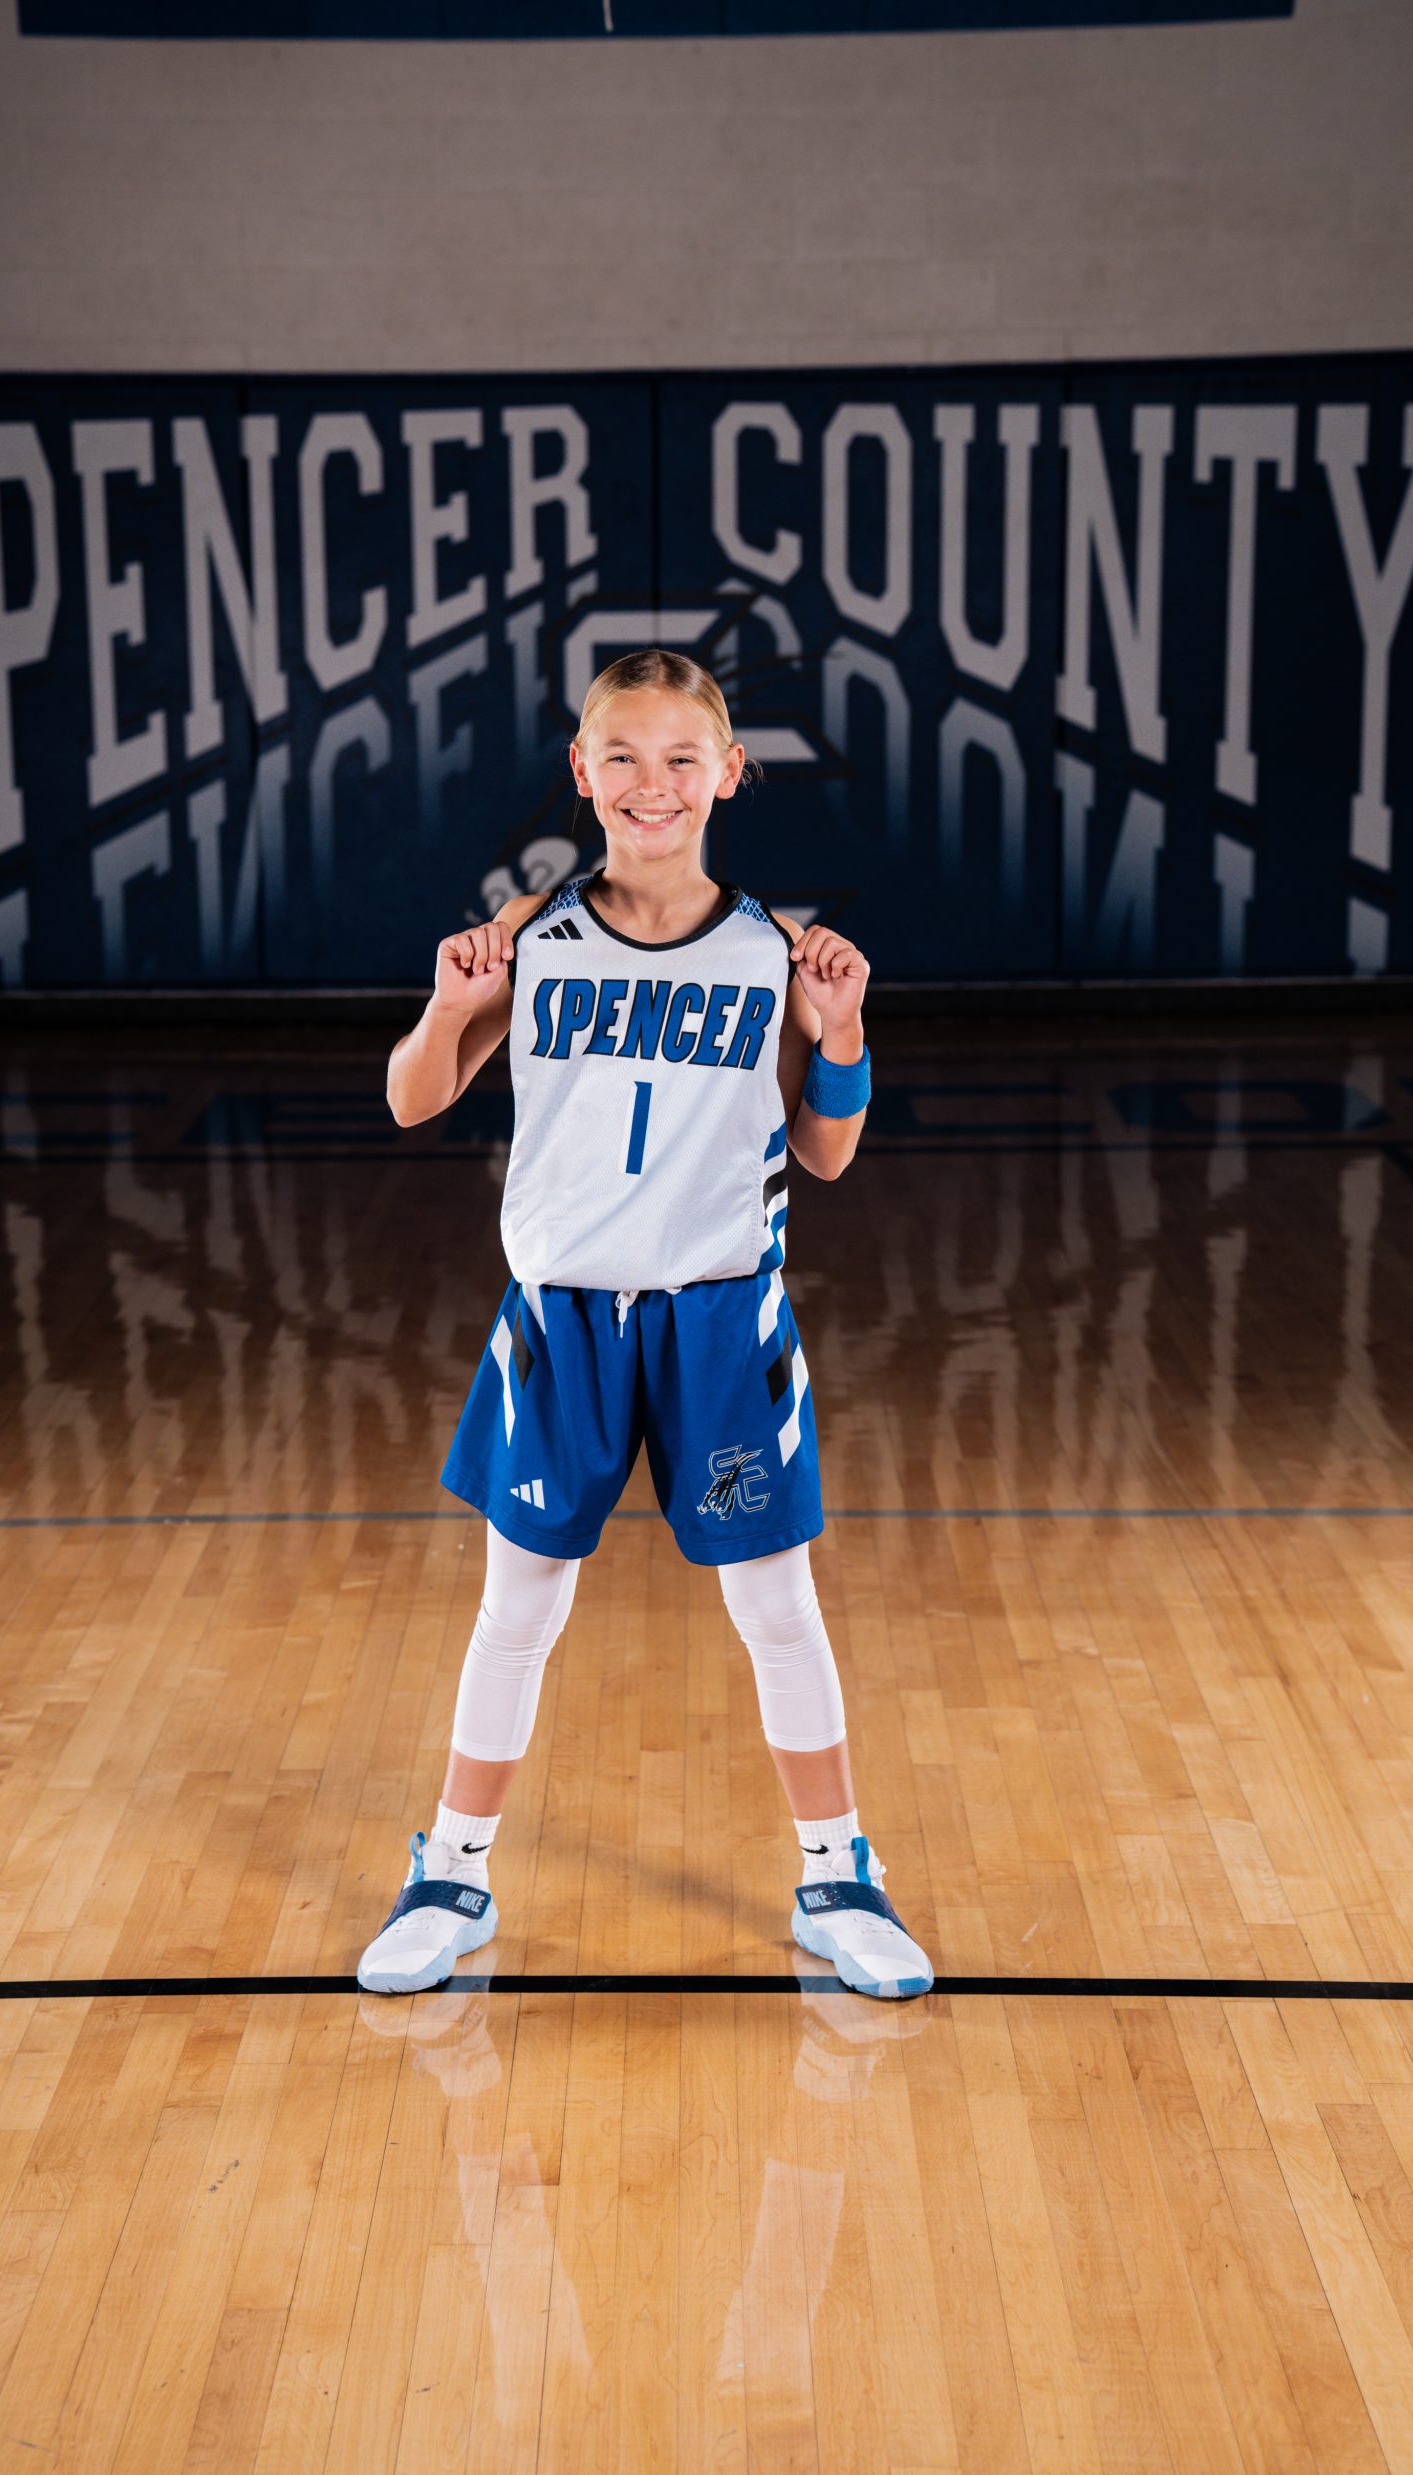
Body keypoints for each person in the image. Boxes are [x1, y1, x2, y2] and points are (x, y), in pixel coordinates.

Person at [356, 648, 933, 2001]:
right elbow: (411, 1100)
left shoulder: (774, 953)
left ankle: (837, 1876)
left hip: (720, 1322)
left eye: (682, 758)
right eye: (621, 755)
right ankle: (452, 1872)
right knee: (516, 1608)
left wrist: (844, 1034)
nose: (650, 783)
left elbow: (826, 1153)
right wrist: (448, 1004)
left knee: (777, 1608)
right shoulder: (530, 935)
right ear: (581, 771)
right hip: (562, 1322)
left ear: (729, 775)